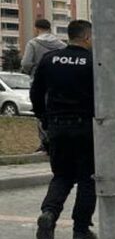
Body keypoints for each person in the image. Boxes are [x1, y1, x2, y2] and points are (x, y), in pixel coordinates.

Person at [30, 19, 97, 239]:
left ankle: (49, 213)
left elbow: (36, 93)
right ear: (87, 37)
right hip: (85, 127)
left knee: (62, 175)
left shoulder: (50, 60)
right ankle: (80, 231)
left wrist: (45, 119)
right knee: (88, 179)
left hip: (57, 126)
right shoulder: (92, 62)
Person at [21, 18, 66, 153]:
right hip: (59, 82)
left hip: (39, 82)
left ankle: (45, 142)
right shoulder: (61, 45)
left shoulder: (33, 43)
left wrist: (32, 71)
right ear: (50, 28)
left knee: (41, 111)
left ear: (36, 28)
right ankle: (58, 140)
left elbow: (26, 63)